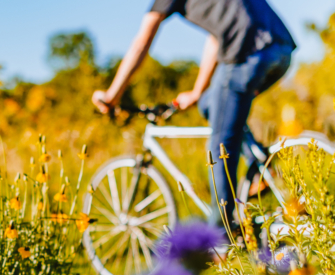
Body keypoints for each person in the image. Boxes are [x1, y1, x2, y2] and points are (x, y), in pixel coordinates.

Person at [92, 0, 295, 228]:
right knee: (209, 103)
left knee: (220, 145)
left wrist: (112, 95)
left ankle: (221, 233)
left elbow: (141, 44)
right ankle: (259, 166)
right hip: (280, 50)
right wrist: (198, 91)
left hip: (247, 53)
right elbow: (216, 36)